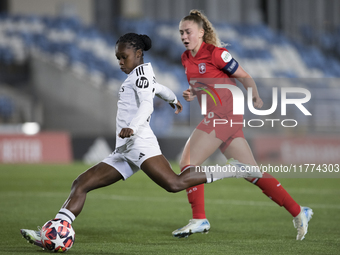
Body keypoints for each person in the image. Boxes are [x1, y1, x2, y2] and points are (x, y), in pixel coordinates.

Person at [20, 32, 262, 249]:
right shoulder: (142, 74)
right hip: (125, 149)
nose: (120, 62)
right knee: (81, 183)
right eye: (117, 58)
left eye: (123, 57)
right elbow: (157, 89)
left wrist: (132, 127)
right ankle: (52, 232)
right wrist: (172, 99)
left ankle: (233, 170)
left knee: (174, 183)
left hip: (138, 142)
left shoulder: (140, 75)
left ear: (137, 54)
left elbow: (146, 103)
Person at [171, 10, 313, 241]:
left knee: (188, 162)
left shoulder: (217, 54)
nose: (184, 36)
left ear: (201, 32)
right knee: (252, 172)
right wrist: (192, 92)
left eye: (188, 31)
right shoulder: (186, 58)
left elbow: (245, 77)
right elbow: (204, 84)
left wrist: (255, 96)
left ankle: (199, 219)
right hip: (221, 115)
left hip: (225, 113)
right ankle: (299, 211)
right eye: (181, 32)